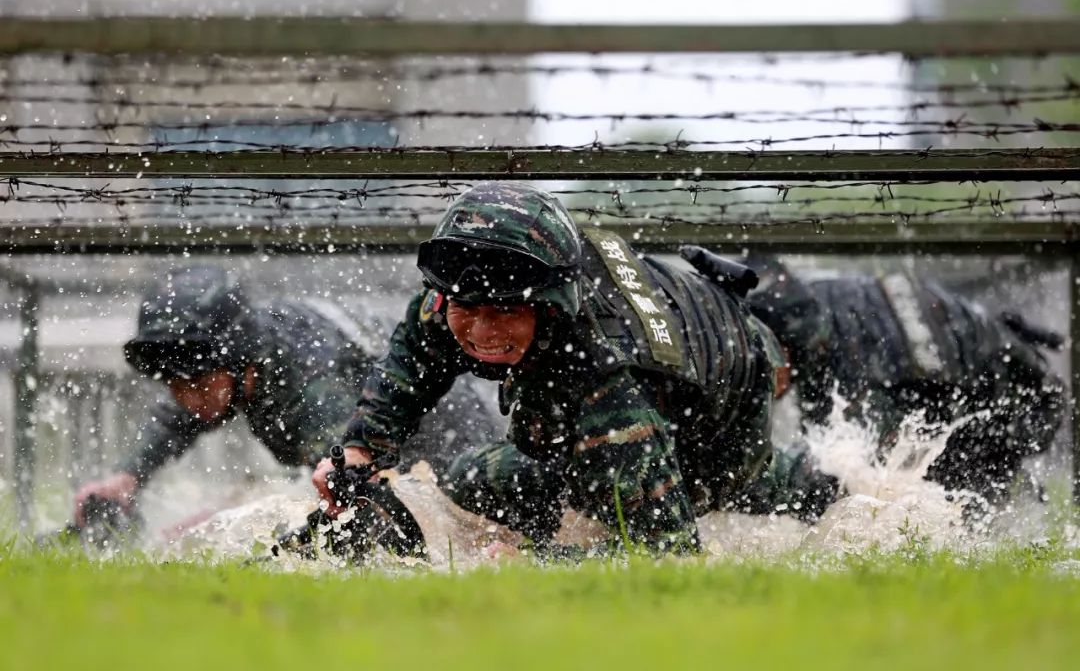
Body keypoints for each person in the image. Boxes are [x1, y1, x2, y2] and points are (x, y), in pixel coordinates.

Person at [313, 181, 831, 556]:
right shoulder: (456, 296)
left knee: (642, 502)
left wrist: (539, 563)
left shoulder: (607, 381)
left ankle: (829, 490)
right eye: (466, 309)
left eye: (506, 312)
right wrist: (360, 451)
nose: (483, 332)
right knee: (472, 480)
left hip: (723, 412)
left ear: (550, 305)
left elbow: (670, 556)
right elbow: (413, 355)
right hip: (654, 372)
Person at [71, 265, 498, 528]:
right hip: (396, 443)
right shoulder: (240, 356)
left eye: (195, 382)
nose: (185, 397)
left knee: (449, 532)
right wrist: (126, 477)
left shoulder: (313, 388)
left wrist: (223, 523)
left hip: (448, 443)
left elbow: (343, 488)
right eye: (173, 383)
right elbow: (175, 417)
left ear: (238, 363)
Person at [745, 255, 1065, 505]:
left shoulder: (846, 355)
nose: (761, 388)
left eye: (760, 368)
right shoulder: (814, 311)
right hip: (996, 376)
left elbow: (845, 469)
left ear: (781, 346)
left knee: (933, 494)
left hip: (1025, 397)